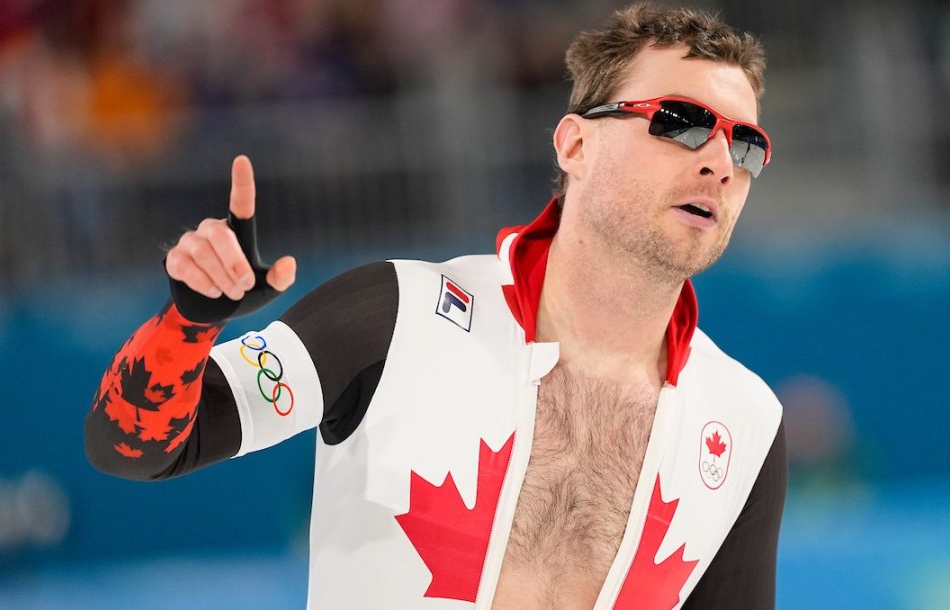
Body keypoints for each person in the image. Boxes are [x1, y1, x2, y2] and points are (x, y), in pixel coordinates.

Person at [85, 4, 787, 608]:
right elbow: (130, 450)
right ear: (576, 144)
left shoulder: (745, 422)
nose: (719, 163)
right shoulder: (397, 315)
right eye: (681, 122)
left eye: (745, 145)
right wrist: (188, 323)